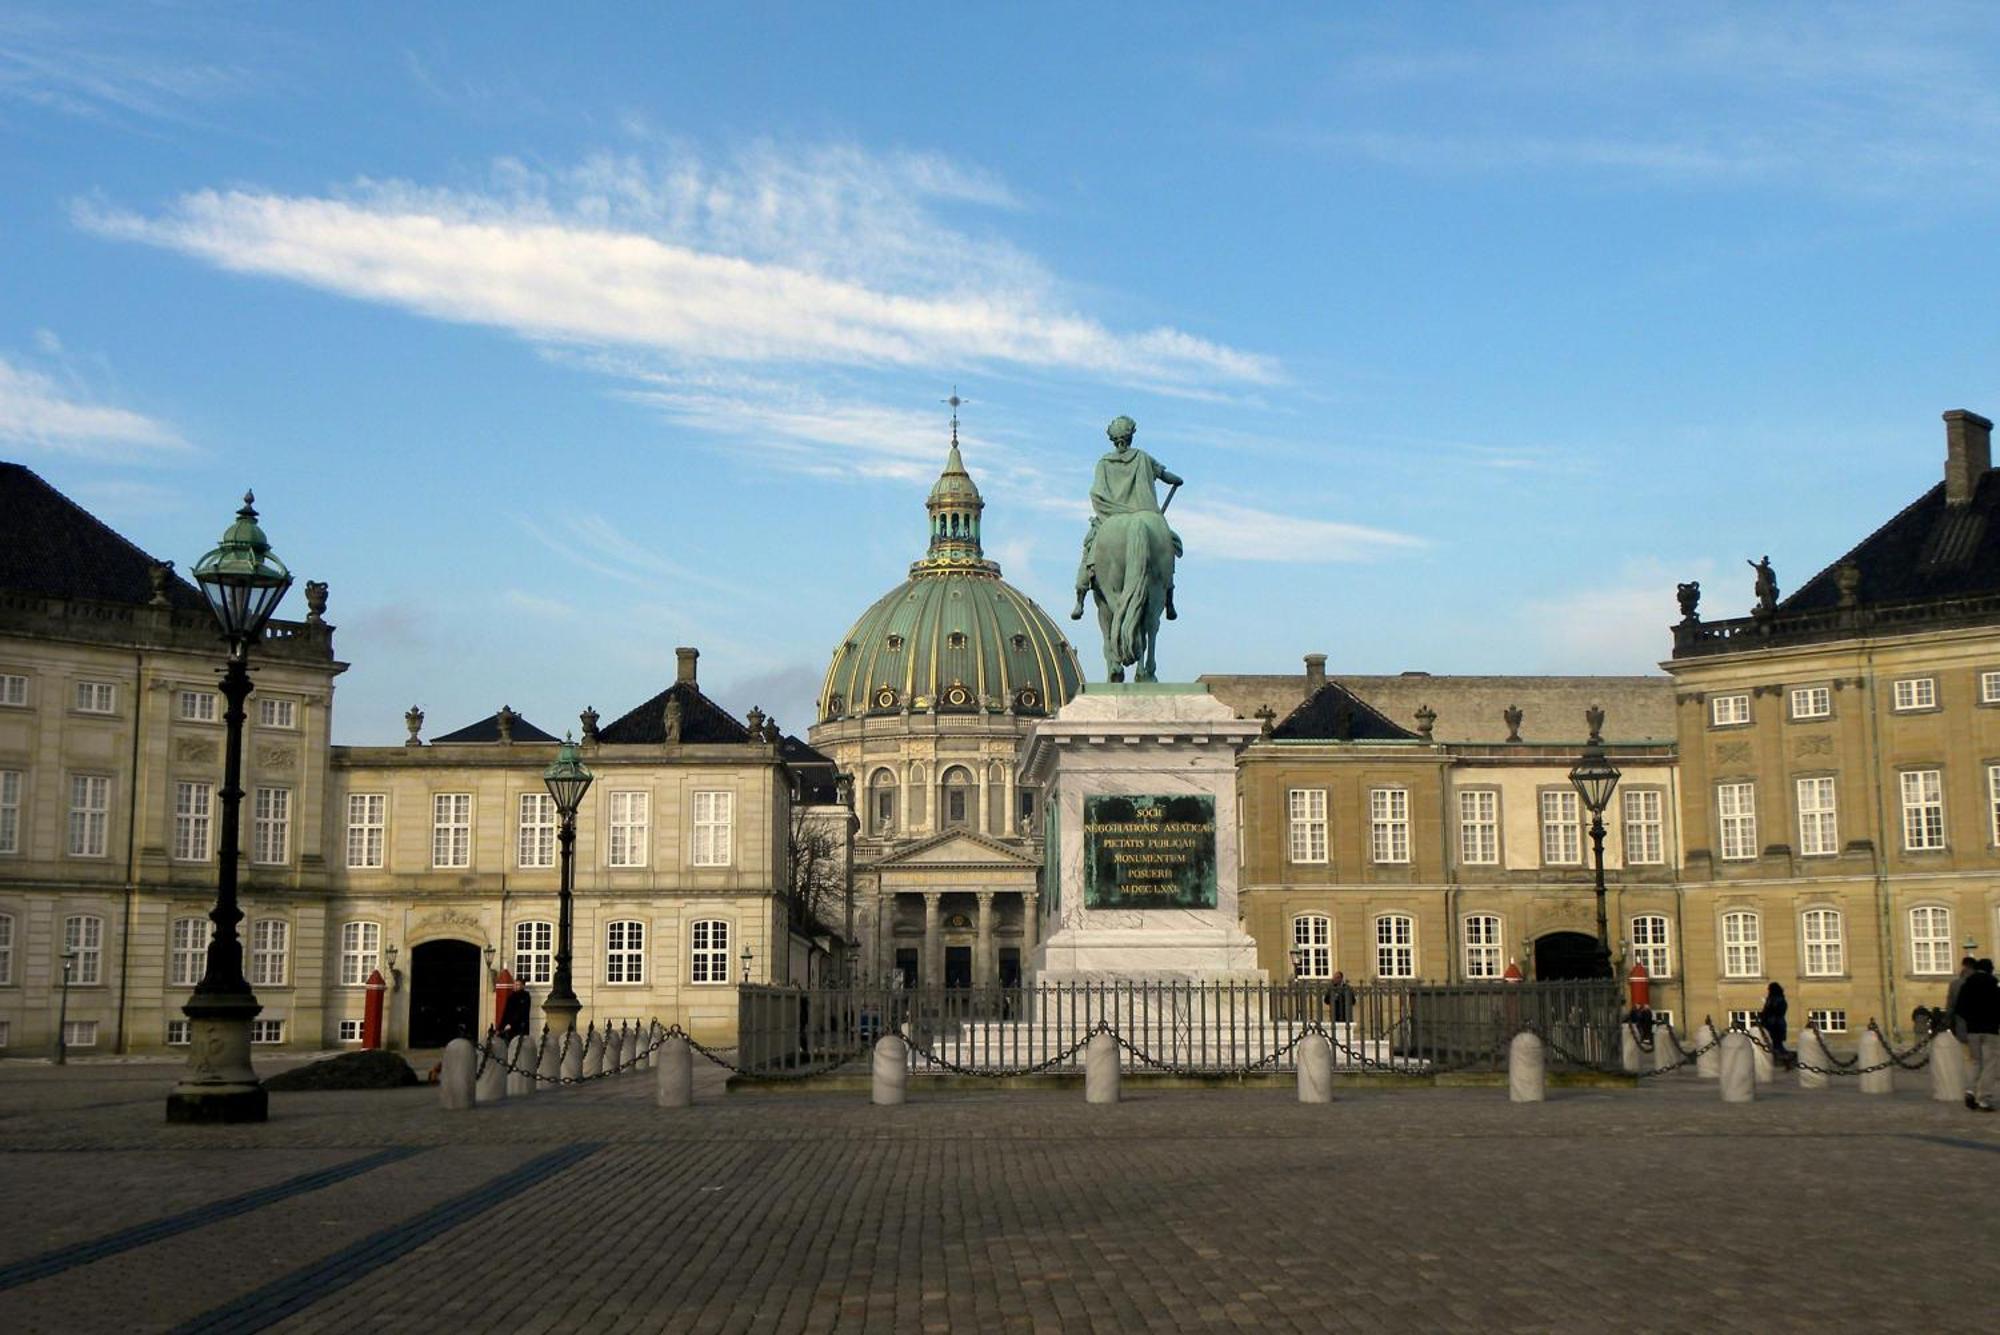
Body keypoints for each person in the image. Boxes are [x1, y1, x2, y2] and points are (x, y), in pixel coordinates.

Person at [1072, 415, 1183, 621]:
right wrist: (1177, 481)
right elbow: (1171, 478)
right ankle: (1169, 597)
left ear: (1112, 439)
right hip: (1145, 512)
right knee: (1169, 543)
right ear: (1131, 436)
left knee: (1089, 550)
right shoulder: (1143, 458)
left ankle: (1080, 595)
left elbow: (1097, 493)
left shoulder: (1104, 463)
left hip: (1111, 516)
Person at [1949, 958, 1999, 1112]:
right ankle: (1984, 1098)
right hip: (1991, 1030)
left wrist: (1971, 1019)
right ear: (1990, 969)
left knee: (1976, 1062)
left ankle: (1970, 1090)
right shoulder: (1994, 986)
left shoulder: (1967, 986)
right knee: (1991, 1064)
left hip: (1973, 1030)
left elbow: (1959, 1008)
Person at [1758, 981, 1790, 1065]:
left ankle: (1785, 1060)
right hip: (1778, 1023)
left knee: (1776, 1044)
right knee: (1777, 1044)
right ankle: (1785, 1060)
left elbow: (1770, 1010)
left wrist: (1763, 1015)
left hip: (1773, 1024)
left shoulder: (1774, 999)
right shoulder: (1779, 999)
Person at [1947, 956, 1977, 1042]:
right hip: (1980, 1023)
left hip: (1961, 1018)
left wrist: (1948, 1019)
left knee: (1963, 1044)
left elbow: (1950, 1004)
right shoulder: (1984, 981)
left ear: (1963, 966)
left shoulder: (1955, 983)